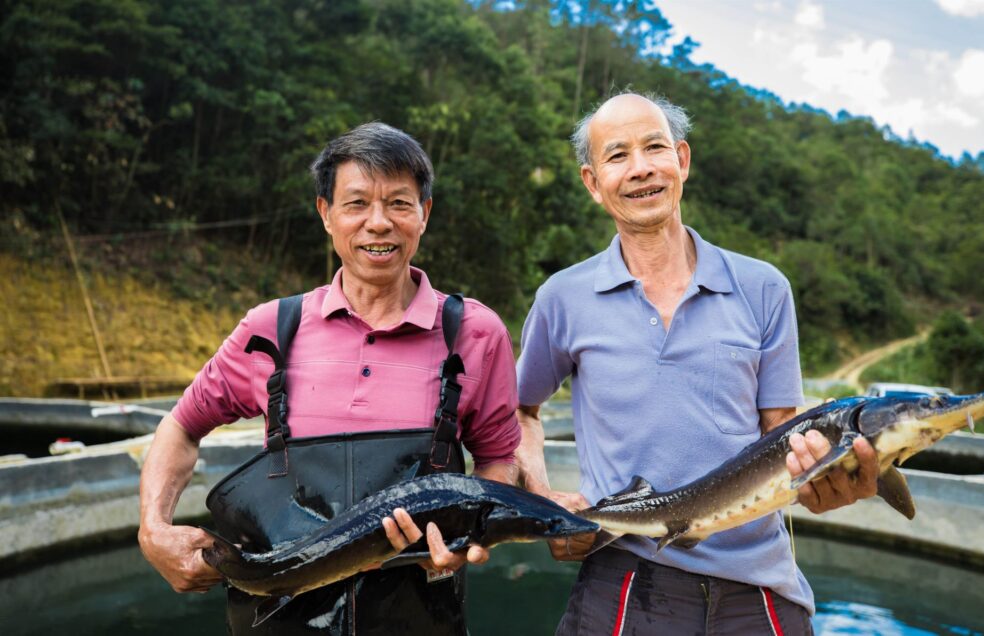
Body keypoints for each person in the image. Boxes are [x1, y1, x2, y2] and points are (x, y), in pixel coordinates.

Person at [514, 93, 880, 635]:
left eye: (655, 147)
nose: (640, 168)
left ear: (681, 160)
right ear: (593, 183)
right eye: (617, 156)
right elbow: (519, 412)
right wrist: (541, 498)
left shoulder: (763, 288)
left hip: (758, 586)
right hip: (625, 571)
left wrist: (826, 478)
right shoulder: (563, 297)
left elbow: (781, 435)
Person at [138, 122, 520, 635]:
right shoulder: (271, 329)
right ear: (326, 214)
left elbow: (498, 457)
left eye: (400, 204)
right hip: (280, 615)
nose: (378, 224)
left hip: (422, 616)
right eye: (357, 203)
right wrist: (153, 528)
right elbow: (182, 427)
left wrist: (467, 538)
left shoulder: (474, 333)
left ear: (424, 215)